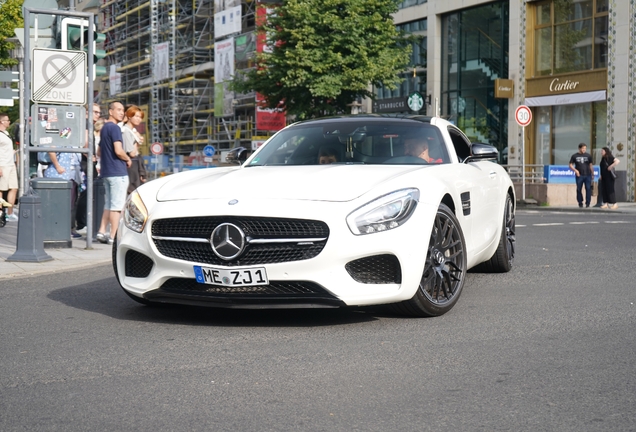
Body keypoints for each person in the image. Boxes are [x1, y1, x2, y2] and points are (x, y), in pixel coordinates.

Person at [96, 101, 132, 244]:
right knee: (117, 207)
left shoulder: (104, 128)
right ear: (110, 112)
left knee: (109, 204)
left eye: (123, 110)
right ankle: (113, 236)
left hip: (106, 171)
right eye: (118, 110)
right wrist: (127, 158)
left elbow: (99, 151)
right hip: (117, 171)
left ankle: (101, 231)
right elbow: (118, 150)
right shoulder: (116, 128)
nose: (121, 112)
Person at [43, 151, 83, 238]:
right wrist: (58, 166)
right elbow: (51, 150)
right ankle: (56, 230)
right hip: (58, 175)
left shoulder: (68, 140)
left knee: (66, 205)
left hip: (68, 176)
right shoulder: (60, 138)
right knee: (58, 205)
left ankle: (61, 229)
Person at [120, 105, 146, 194]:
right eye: (137, 116)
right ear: (130, 117)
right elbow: (132, 153)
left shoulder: (132, 130)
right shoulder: (126, 131)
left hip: (134, 165)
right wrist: (137, 141)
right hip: (130, 166)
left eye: (140, 117)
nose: (139, 119)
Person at [0, 112, 19, 221]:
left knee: (14, 187)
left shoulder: (6, 133)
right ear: (2, 121)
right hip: (3, 164)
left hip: (10, 164)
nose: (9, 122)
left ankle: (10, 213)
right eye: (7, 120)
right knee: (1, 189)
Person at [569, 143, 594, 208]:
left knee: (588, 188)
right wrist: (575, 170)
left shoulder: (588, 156)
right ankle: (580, 202)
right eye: (583, 148)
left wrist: (592, 173)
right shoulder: (575, 156)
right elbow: (570, 165)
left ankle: (588, 203)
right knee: (578, 189)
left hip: (587, 174)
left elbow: (590, 165)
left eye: (585, 148)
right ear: (579, 148)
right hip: (579, 175)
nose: (584, 150)